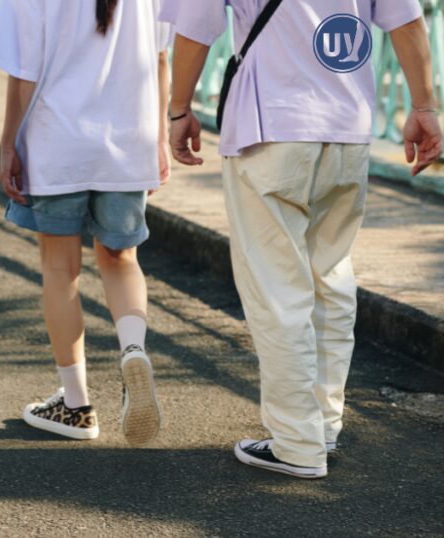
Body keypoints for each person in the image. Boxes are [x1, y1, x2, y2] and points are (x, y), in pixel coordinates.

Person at [164, 0, 441, 478]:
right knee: (330, 280)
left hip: (271, 125)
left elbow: (196, 26)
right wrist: (423, 106)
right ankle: (323, 426)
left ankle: (296, 443)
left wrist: (179, 109)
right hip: (347, 127)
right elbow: (408, 18)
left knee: (278, 288)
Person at [0, 0, 171, 446]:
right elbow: (161, 58)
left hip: (58, 140)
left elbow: (23, 72)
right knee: (122, 259)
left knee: (60, 269)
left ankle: (76, 405)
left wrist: (8, 142)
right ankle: (133, 350)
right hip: (130, 139)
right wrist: (159, 137)